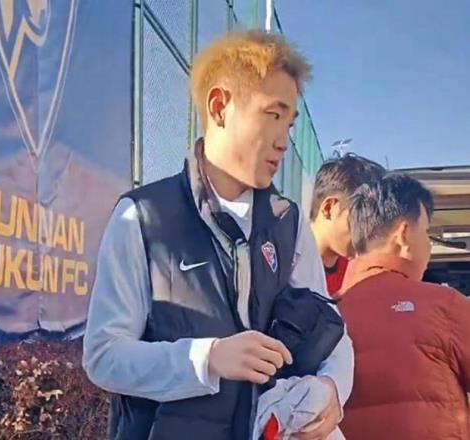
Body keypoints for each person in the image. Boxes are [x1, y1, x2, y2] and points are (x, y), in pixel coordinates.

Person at [83, 30, 353, 440]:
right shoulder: (142, 216)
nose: (284, 141)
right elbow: (104, 356)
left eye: (290, 123)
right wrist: (208, 358)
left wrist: (333, 388)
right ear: (219, 106)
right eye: (273, 115)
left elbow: (330, 331)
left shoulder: (288, 222)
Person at [339, 174, 470, 440]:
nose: (429, 245)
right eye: (426, 232)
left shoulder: (327, 312)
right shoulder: (443, 306)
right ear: (403, 234)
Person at [309, 155, 385, 296]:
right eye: (361, 220)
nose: (367, 234)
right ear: (329, 208)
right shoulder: (283, 263)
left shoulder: (354, 274)